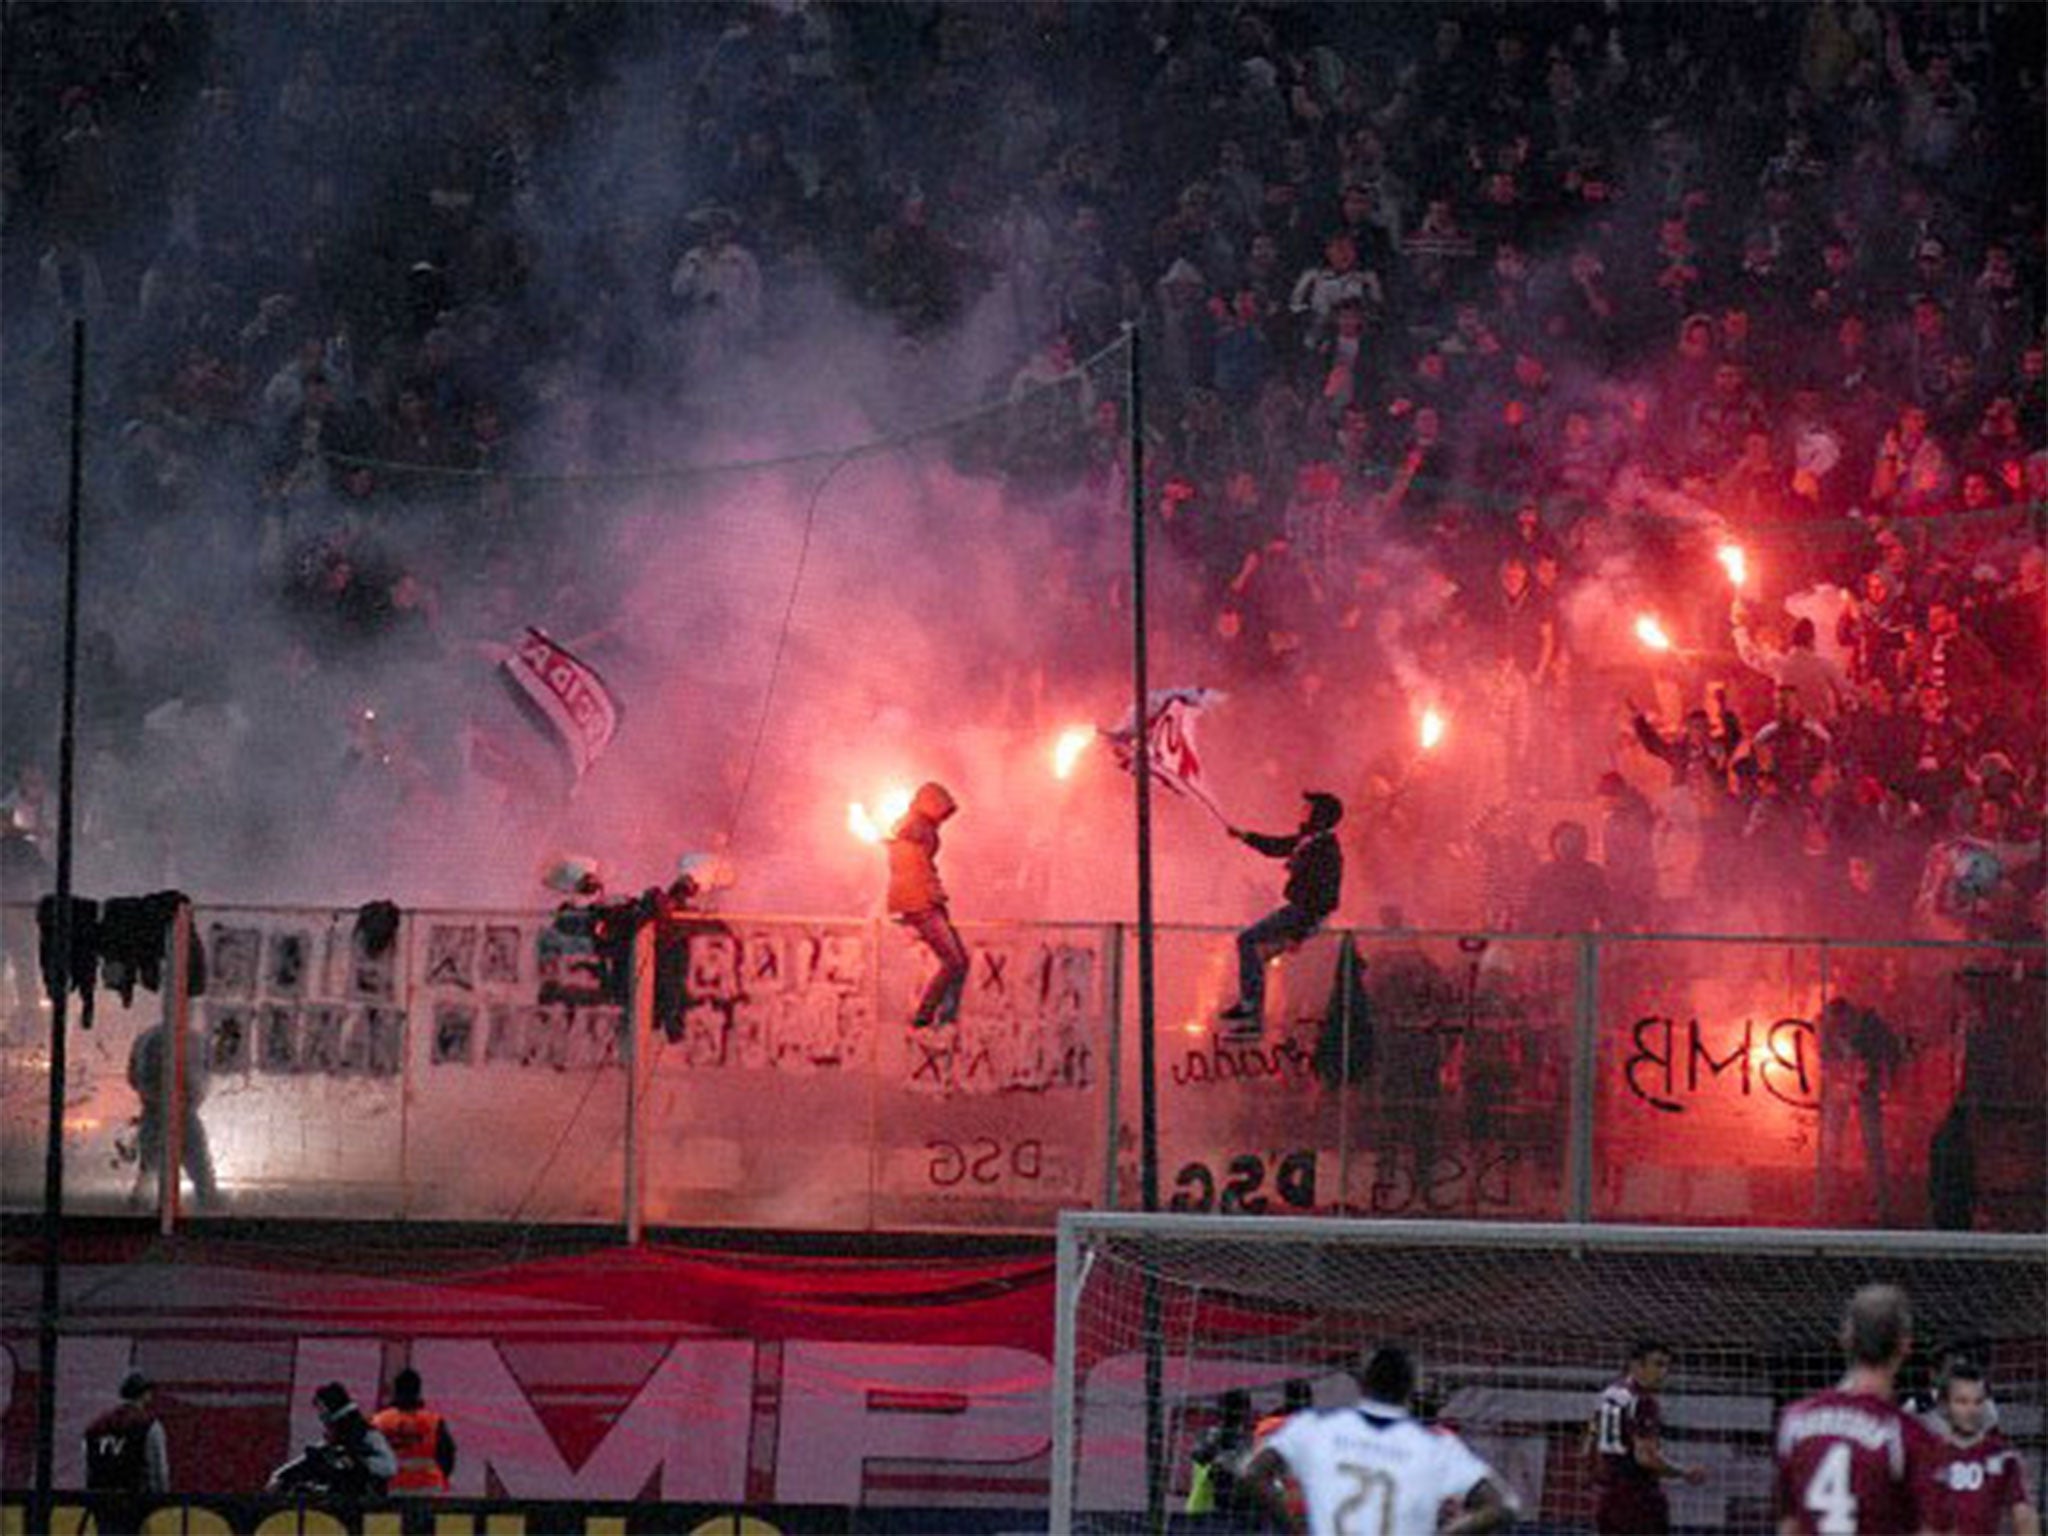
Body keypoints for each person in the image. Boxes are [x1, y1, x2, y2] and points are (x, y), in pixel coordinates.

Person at [1238, 1345, 1513, 1534]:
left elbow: (1252, 1474)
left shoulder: (1315, 1428)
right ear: (1408, 1391)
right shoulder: (1439, 1444)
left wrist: (1293, 1530)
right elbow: (1500, 1507)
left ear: (1363, 1385)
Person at [1774, 1285, 1947, 1534]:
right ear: (1905, 1345)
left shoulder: (1795, 1421)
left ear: (1846, 1339)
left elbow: (1790, 1525)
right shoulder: (1907, 1436)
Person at [1220, 791, 1344, 1040]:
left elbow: (1325, 894)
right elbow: (1277, 846)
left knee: (1248, 941)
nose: (1302, 811)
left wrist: (1298, 934)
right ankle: (1252, 1016)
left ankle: (1251, 1012)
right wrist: (1245, 837)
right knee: (1257, 952)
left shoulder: (1325, 849)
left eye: (1308, 808)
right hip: (1300, 912)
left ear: (1319, 815)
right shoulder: (1309, 841)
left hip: (1302, 914)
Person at [1586, 1339, 1704, 1533]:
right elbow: (1646, 1458)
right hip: (1638, 1498)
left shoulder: (1608, 1394)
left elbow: (1589, 1442)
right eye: (1657, 1364)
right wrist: (1684, 1472)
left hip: (1607, 1497)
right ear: (1636, 1365)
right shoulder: (1642, 1401)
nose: (1663, 1372)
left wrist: (1595, 1478)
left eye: (1666, 1365)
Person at [886, 782, 968, 1029]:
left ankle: (942, 1017)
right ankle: (927, 1017)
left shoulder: (912, 827)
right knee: (955, 962)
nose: (943, 820)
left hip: (920, 900)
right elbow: (912, 836)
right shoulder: (917, 827)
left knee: (955, 961)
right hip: (921, 903)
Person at [1924, 1358, 2038, 1535]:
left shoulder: (2003, 1456)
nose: (1971, 1410)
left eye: (1978, 1401)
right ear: (1945, 1405)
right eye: (1962, 1402)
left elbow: (2024, 1516)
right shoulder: (1926, 1455)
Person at [127, 1021, 220, 1210]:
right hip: (174, 1111)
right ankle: (208, 1205)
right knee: (195, 1165)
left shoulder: (149, 1038)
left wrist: (151, 1095)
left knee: (152, 1164)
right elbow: (206, 1072)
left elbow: (134, 1076)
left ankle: (141, 1205)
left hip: (161, 1110)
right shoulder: (194, 1039)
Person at [267, 1381, 398, 1501]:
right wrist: (282, 1476)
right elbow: (310, 1460)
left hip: (365, 1506)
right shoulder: (332, 1445)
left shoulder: (368, 1437)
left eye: (323, 1411)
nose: (321, 1418)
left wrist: (358, 1463)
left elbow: (389, 1467)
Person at [84, 1369, 169, 1531]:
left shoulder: (95, 1427)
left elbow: (88, 1467)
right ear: (145, 1394)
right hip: (136, 1504)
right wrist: (160, 1500)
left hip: (102, 1504)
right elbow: (159, 1470)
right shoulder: (149, 1425)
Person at [371, 1367, 457, 1496]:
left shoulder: (379, 1422)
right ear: (418, 1390)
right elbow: (448, 1456)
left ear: (395, 1390)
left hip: (392, 1491)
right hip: (429, 1490)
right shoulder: (433, 1421)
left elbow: (371, 1458)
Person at [1185, 1387, 1251, 1518]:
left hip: (1198, 1509)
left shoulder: (1205, 1436)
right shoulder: (1242, 1442)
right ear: (1246, 1412)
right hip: (1214, 1513)